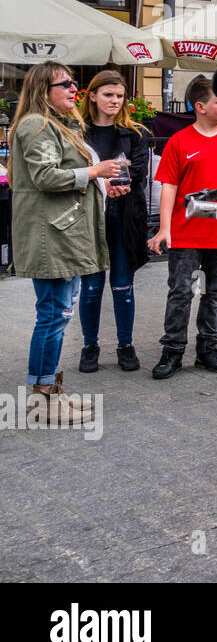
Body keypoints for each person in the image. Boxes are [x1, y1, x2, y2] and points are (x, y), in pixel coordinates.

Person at [8, 62, 122, 423]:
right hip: (49, 237)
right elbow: (45, 176)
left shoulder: (58, 124)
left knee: (59, 313)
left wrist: (101, 184)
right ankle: (42, 398)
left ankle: (52, 389)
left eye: (76, 83)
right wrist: (94, 171)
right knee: (53, 315)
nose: (76, 89)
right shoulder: (36, 125)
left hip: (61, 234)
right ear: (44, 90)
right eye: (66, 84)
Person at [147, 76, 217, 379]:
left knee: (216, 293)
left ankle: (208, 349)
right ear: (200, 106)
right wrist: (164, 229)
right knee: (180, 293)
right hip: (186, 233)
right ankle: (172, 350)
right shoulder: (179, 141)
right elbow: (169, 187)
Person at [74, 70, 150, 372]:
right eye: (108, 95)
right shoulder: (77, 134)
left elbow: (140, 170)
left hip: (123, 219)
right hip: (90, 221)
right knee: (91, 287)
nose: (114, 101)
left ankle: (125, 345)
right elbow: (75, 171)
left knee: (123, 285)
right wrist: (100, 180)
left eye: (119, 96)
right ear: (92, 96)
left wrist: (121, 182)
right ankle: (89, 346)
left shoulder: (135, 134)